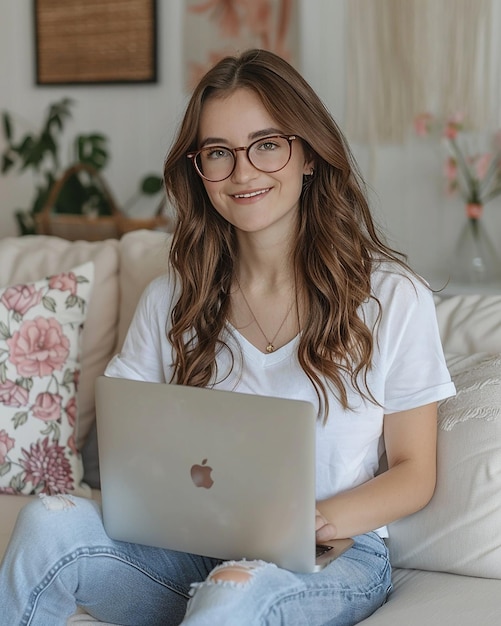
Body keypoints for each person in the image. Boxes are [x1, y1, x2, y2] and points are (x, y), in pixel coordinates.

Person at [0, 49, 455, 626]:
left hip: (333, 555)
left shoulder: (392, 298)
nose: (243, 172)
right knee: (47, 522)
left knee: (233, 590)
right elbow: (126, 444)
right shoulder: (172, 299)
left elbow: (415, 472)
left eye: (267, 144)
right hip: (190, 546)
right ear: (200, 170)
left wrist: (305, 524)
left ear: (308, 154)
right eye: (219, 152)